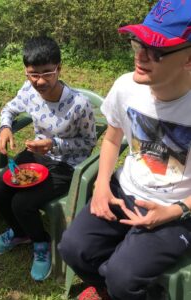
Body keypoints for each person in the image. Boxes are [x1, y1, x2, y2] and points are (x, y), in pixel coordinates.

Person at [58, 1, 191, 299]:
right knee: (73, 248)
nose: (140, 57)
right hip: (124, 190)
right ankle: (109, 289)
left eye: (156, 51)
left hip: (177, 209)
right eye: (138, 43)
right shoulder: (125, 87)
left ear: (189, 59)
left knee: (123, 277)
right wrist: (102, 185)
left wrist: (174, 210)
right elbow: (111, 139)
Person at [0, 36, 96, 281]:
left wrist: (55, 144)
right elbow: (9, 108)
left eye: (47, 73)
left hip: (67, 164)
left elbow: (89, 144)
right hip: (37, 155)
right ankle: (19, 232)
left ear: (59, 68)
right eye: (32, 74)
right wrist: (5, 127)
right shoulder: (28, 90)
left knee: (22, 203)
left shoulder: (79, 104)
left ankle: (41, 242)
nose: (39, 81)